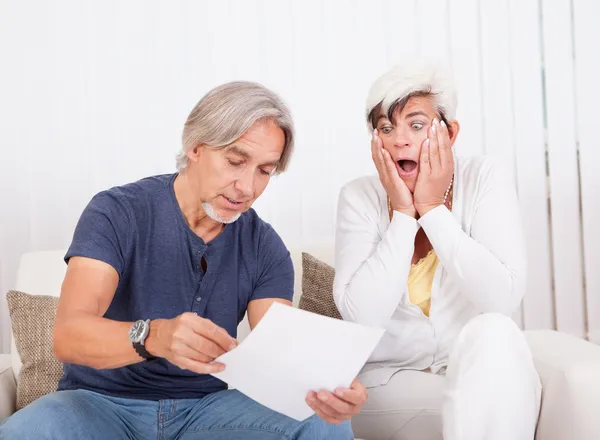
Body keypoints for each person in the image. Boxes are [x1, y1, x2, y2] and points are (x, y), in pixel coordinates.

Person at [0, 81, 365, 440]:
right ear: (195, 147)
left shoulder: (263, 245)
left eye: (264, 170)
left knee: (325, 422)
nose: (247, 187)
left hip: (207, 412)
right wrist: (153, 336)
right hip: (99, 405)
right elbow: (69, 336)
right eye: (236, 161)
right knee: (25, 432)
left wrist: (331, 391)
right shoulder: (117, 212)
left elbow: (281, 352)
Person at [332, 61, 542, 440]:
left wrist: (431, 211)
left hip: (475, 372)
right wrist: (402, 215)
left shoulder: (485, 178)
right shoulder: (358, 197)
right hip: (388, 385)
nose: (400, 140)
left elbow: (501, 298)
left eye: (416, 125)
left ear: (451, 132)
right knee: (486, 405)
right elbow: (361, 317)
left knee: (494, 330)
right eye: (385, 127)